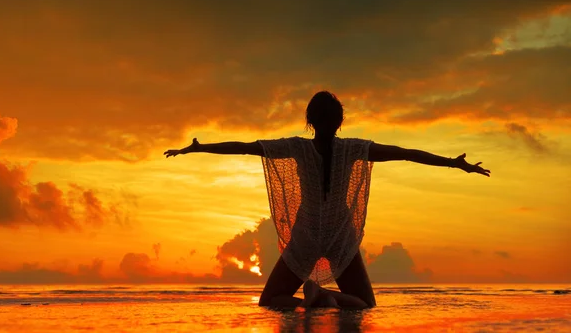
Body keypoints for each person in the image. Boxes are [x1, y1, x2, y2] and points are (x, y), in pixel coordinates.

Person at [164, 91, 490, 309]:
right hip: (339, 234)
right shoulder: (354, 148)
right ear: (340, 121)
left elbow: (246, 146)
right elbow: (405, 154)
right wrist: (453, 163)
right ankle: (323, 296)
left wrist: (199, 147)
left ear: (309, 121)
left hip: (307, 234)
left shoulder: (298, 147)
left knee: (272, 299)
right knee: (364, 303)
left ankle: (310, 300)